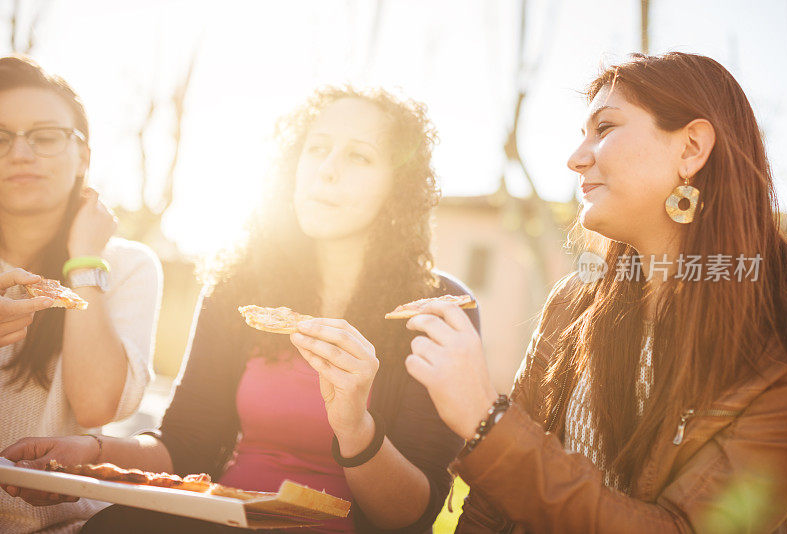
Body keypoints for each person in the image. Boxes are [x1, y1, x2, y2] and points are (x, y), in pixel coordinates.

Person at [3, 86, 478, 533]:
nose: (326, 169)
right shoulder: (239, 289)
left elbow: (413, 513)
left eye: (359, 156)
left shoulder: (434, 310)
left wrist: (355, 427)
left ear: (400, 186)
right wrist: (85, 453)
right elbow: (185, 446)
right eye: (316, 148)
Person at [404, 52, 787, 533]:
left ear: (692, 148)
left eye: (605, 128)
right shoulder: (575, 302)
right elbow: (489, 509)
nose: (576, 158)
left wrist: (487, 421)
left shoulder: (784, 344)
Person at [0, 56, 162, 533]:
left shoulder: (128, 264)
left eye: (45, 136)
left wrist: (84, 260)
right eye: (0, 137)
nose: (21, 153)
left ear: (84, 156)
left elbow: (95, 407)